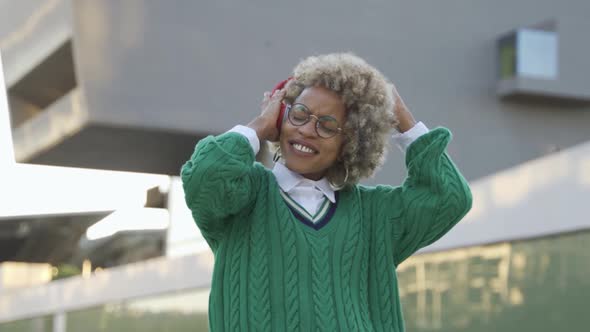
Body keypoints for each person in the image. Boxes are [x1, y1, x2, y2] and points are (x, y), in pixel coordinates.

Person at [181, 53, 472, 332]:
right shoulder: (242, 195)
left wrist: (402, 118)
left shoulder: (374, 215)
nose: (307, 130)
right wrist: (261, 125)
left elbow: (450, 196)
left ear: (352, 142)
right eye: (299, 114)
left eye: (327, 125)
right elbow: (205, 175)